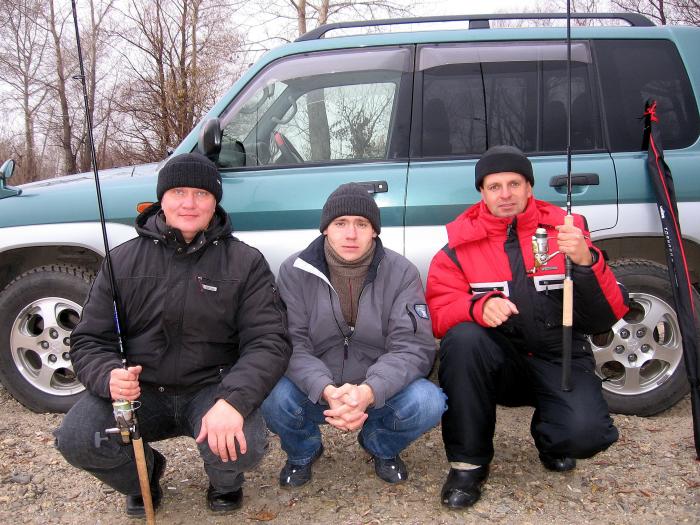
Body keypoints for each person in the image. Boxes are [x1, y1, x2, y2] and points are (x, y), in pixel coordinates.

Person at [54, 153, 291, 517]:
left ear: (215, 201)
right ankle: (144, 475)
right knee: (79, 437)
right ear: (161, 198)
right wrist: (108, 376)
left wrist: (234, 401)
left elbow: (269, 341)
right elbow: (89, 339)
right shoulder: (121, 261)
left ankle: (224, 481)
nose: (189, 203)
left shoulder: (246, 262)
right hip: (142, 392)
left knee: (245, 444)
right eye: (178, 191)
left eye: (201, 194)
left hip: (213, 388)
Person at [426, 145, 629, 509]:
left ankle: (552, 434)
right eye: (494, 186)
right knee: (462, 339)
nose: (505, 194)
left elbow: (604, 316)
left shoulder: (567, 233)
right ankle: (468, 466)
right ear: (481, 193)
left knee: (584, 436)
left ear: (529, 188)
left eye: (514, 183)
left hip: (558, 356)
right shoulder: (458, 247)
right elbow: (438, 313)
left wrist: (586, 261)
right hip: (500, 362)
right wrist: (477, 305)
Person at [262, 183, 446, 487]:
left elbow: (413, 346)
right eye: (340, 223)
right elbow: (290, 344)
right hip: (315, 388)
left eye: (362, 224)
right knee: (272, 395)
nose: (351, 234)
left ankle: (379, 445)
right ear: (325, 229)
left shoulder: (401, 272)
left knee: (428, 401)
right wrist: (325, 389)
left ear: (374, 231)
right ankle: (303, 452)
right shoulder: (295, 270)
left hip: (376, 389)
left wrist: (369, 391)